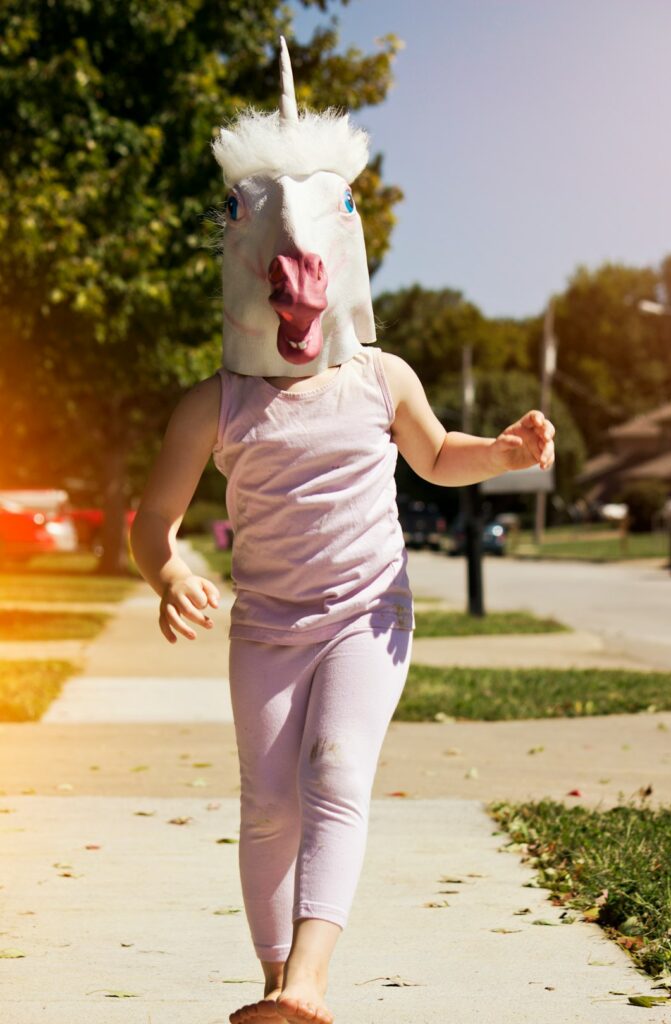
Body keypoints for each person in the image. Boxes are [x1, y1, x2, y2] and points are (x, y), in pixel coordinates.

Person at [130, 38, 555, 1024]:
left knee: (331, 770)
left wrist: (495, 450)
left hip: (369, 613)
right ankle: (279, 988)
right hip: (267, 625)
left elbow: (434, 452)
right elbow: (151, 520)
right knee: (267, 801)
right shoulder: (213, 405)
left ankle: (307, 982)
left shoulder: (380, 376)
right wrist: (168, 569)